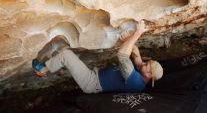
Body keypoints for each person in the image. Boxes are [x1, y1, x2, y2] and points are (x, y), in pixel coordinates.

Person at [32, 20, 163, 93]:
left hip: (92, 82)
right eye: (148, 62)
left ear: (149, 76)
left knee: (66, 55)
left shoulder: (136, 82)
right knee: (65, 56)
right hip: (95, 74)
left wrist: (138, 33)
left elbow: (122, 55)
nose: (144, 64)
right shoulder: (142, 74)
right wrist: (129, 40)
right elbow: (136, 55)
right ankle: (55, 62)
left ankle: (42, 70)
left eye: (148, 66)